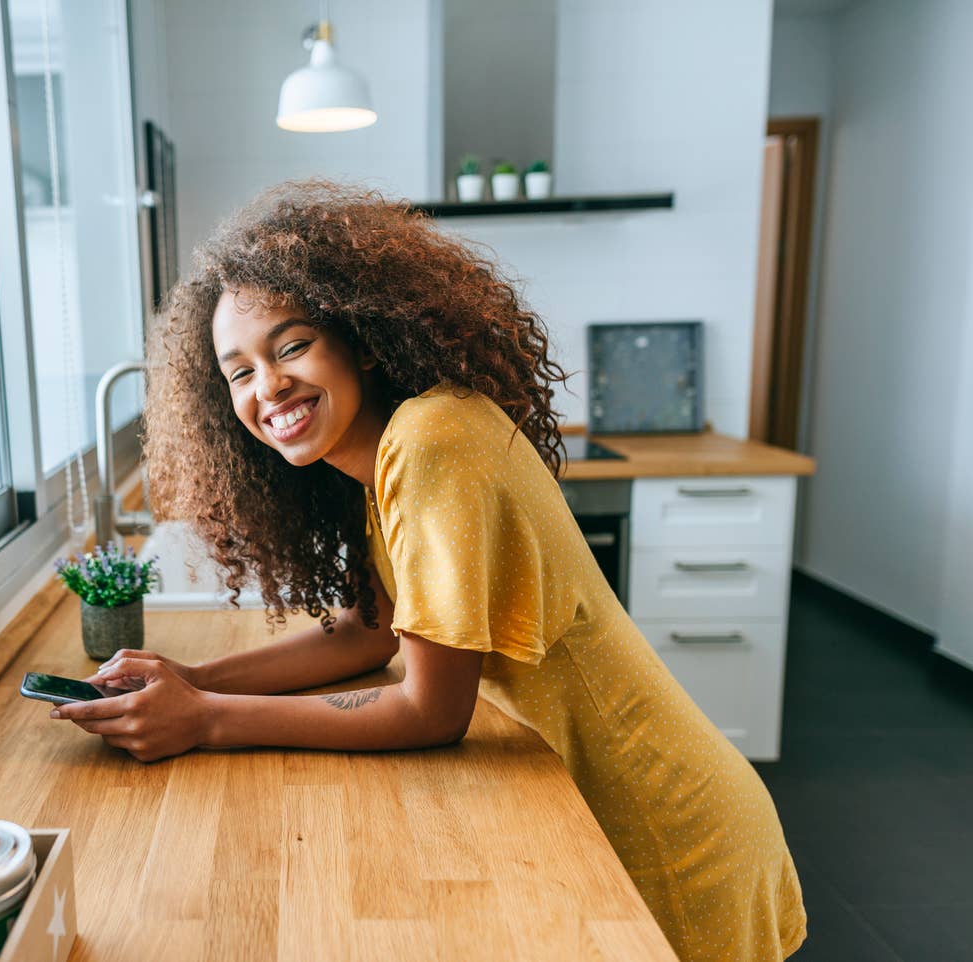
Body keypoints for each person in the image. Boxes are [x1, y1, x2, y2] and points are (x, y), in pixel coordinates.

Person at [49, 180, 806, 961]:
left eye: (291, 345)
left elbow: (430, 711)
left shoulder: (432, 440)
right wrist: (194, 679)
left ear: (362, 338)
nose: (267, 386)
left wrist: (205, 719)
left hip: (667, 823)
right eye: (238, 371)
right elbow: (363, 637)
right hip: (606, 801)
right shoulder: (381, 458)